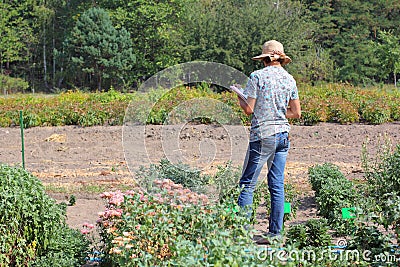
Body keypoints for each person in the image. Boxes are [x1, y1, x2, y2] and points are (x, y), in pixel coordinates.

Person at [236, 40, 301, 241]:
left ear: (264, 58)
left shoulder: (257, 76)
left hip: (262, 135)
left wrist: (238, 95)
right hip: (282, 135)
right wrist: (279, 112)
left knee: (247, 184)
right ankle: (275, 234)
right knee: (276, 184)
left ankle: (243, 234)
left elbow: (249, 109)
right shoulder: (289, 79)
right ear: (281, 58)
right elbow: (296, 112)